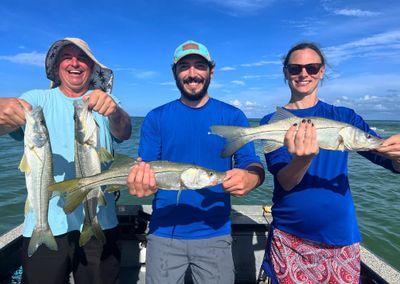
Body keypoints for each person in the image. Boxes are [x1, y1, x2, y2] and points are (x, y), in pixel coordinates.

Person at [258, 42, 400, 284]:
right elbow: (285, 181)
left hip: (341, 236)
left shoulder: (345, 117)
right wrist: (304, 159)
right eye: (295, 68)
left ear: (321, 71)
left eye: (312, 68)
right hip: (290, 236)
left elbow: (386, 159)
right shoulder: (272, 122)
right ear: (286, 73)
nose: (304, 74)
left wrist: (395, 155)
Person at [127, 40, 265, 284]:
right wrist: (140, 184)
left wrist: (251, 178)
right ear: (175, 74)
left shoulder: (233, 116)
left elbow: (250, 163)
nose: (192, 74)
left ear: (211, 71)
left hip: (216, 233)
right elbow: (147, 169)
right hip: (163, 234)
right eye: (184, 67)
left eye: (199, 66)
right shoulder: (155, 118)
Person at [0, 38, 132, 284]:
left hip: (99, 223)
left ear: (92, 68)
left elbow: (124, 131)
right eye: (67, 57)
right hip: (46, 222)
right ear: (56, 66)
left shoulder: (104, 102)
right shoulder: (36, 99)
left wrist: (114, 111)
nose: (75, 63)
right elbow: (5, 122)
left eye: (82, 58)